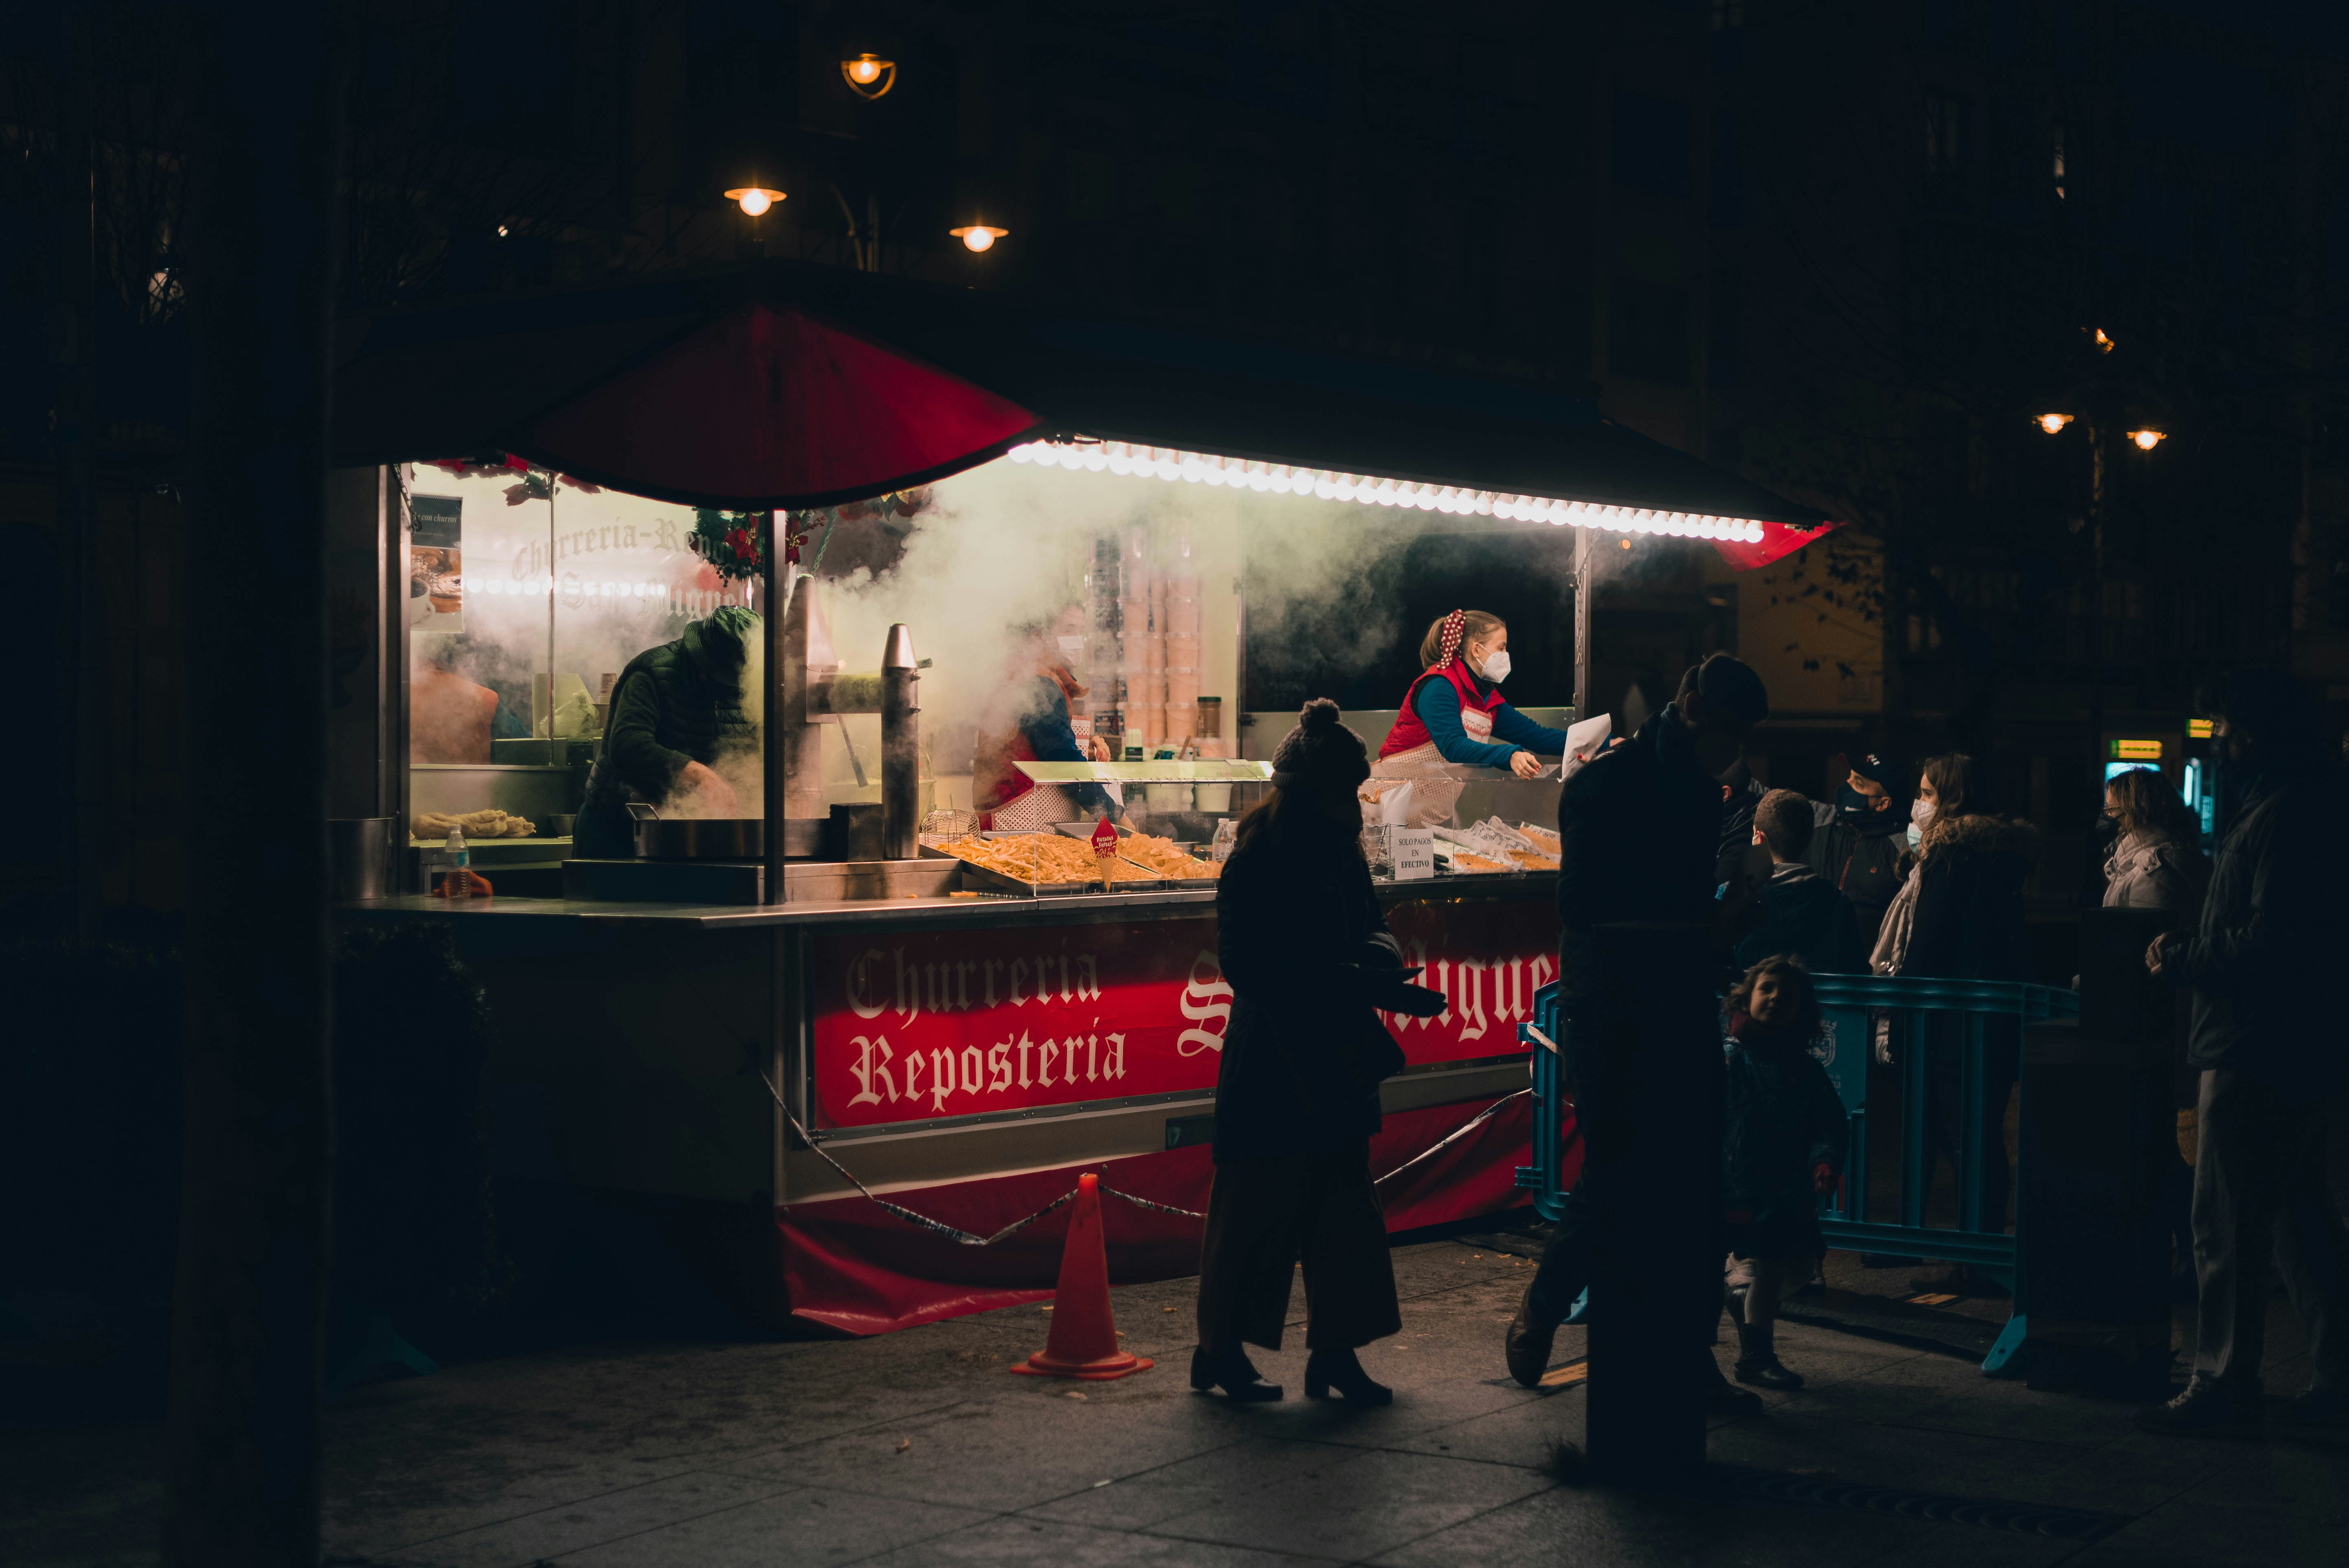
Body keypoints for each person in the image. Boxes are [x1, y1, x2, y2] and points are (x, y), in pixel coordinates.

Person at [1504, 652, 1775, 1471]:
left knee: (1690, 1184)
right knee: (1622, 1172)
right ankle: (1547, 1310)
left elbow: (1688, 920)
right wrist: (1712, 919)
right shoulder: (1607, 786)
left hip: (1676, 1005)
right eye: (1726, 734)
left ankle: (1682, 1357)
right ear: (1691, 709)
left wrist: (1724, 915)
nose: (1731, 752)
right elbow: (1590, 911)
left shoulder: (1698, 788)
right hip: (1617, 1013)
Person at [1193, 699, 1447, 1404]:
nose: (1357, 806)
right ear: (1314, 793)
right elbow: (1248, 964)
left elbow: (1372, 928)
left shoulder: (1341, 853)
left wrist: (1384, 973)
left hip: (1335, 1050)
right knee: (1254, 1209)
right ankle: (1219, 1350)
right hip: (1273, 1054)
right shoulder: (1258, 857)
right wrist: (1345, 977)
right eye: (1347, 792)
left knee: (1345, 1210)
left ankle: (1337, 1353)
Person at [2141, 669, 2349, 1435]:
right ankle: (2336, 1369)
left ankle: (2224, 1380)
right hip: (2298, 1041)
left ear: (2252, 733)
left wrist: (2184, 956)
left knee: (2226, 1222)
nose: (2215, 740)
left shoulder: (2281, 813)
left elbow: (2277, 938)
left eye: (2222, 727)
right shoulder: (2305, 800)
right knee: (2299, 1214)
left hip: (2254, 1039)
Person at [1874, 754, 2036, 1293]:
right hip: (1982, 1023)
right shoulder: (1994, 856)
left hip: (1950, 1026)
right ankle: (1979, 1251)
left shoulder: (1951, 857)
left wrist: (1899, 1019)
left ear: (1952, 798)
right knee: (1975, 1136)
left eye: (1927, 791)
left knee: (1963, 1138)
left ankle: (1978, 1259)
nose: (1918, 801)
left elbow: (1926, 947)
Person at [2100, 765, 2211, 1296]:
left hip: (2153, 1025)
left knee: (2157, 1145)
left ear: (2134, 810)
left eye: (2113, 808)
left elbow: (2139, 952)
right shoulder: (2154, 859)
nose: (2106, 817)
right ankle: (2185, 1253)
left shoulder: (2153, 869)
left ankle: (2186, 1256)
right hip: (2164, 1023)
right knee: (2160, 1144)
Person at [1720, 957, 1849, 1391]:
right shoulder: (1731, 1059)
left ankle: (1741, 1289)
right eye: (1767, 989)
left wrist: (1824, 1161)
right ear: (1747, 996)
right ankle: (1756, 1354)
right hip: (1735, 1188)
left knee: (1792, 1267)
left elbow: (1827, 1123)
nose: (1776, 998)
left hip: (1786, 1190)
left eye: (1787, 994)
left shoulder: (1805, 1070)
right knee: (1769, 1267)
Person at [574, 606, 754, 858]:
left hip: (684, 830)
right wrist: (698, 775)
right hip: (617, 828)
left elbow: (750, 750)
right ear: (701, 658)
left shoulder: (739, 686)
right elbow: (628, 744)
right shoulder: (651, 673)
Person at [1370, 609, 1571, 826]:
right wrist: (1510, 755)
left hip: (1428, 815)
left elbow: (1536, 736)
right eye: (1501, 648)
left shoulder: (1486, 698)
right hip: (1383, 806)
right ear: (1477, 649)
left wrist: (1599, 744)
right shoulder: (1439, 686)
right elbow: (1453, 746)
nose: (1506, 655)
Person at [973, 606, 1119, 832]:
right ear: (1039, 635)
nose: (1077, 640)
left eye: (1081, 630)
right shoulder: (1037, 681)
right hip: (1018, 821)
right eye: (1069, 629)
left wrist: (1086, 745)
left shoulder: (1043, 675)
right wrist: (1115, 816)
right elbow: (1063, 760)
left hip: (1036, 821)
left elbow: (1045, 739)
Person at [1736, 788, 1867, 975]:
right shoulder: (1836, 902)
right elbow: (1857, 970)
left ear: (1759, 839)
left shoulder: (1733, 898)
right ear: (1808, 840)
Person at [1805, 753, 1909, 949]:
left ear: (1883, 803)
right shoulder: (1820, 819)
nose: (1848, 784)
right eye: (1851, 776)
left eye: (1859, 783)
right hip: (1810, 958)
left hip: (1863, 967)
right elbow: (1765, 799)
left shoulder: (1903, 848)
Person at [2101, 766, 2210, 914]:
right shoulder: (2140, 862)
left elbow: (2143, 934)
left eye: (2110, 810)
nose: (2106, 817)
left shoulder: (2154, 876)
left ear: (2135, 813)